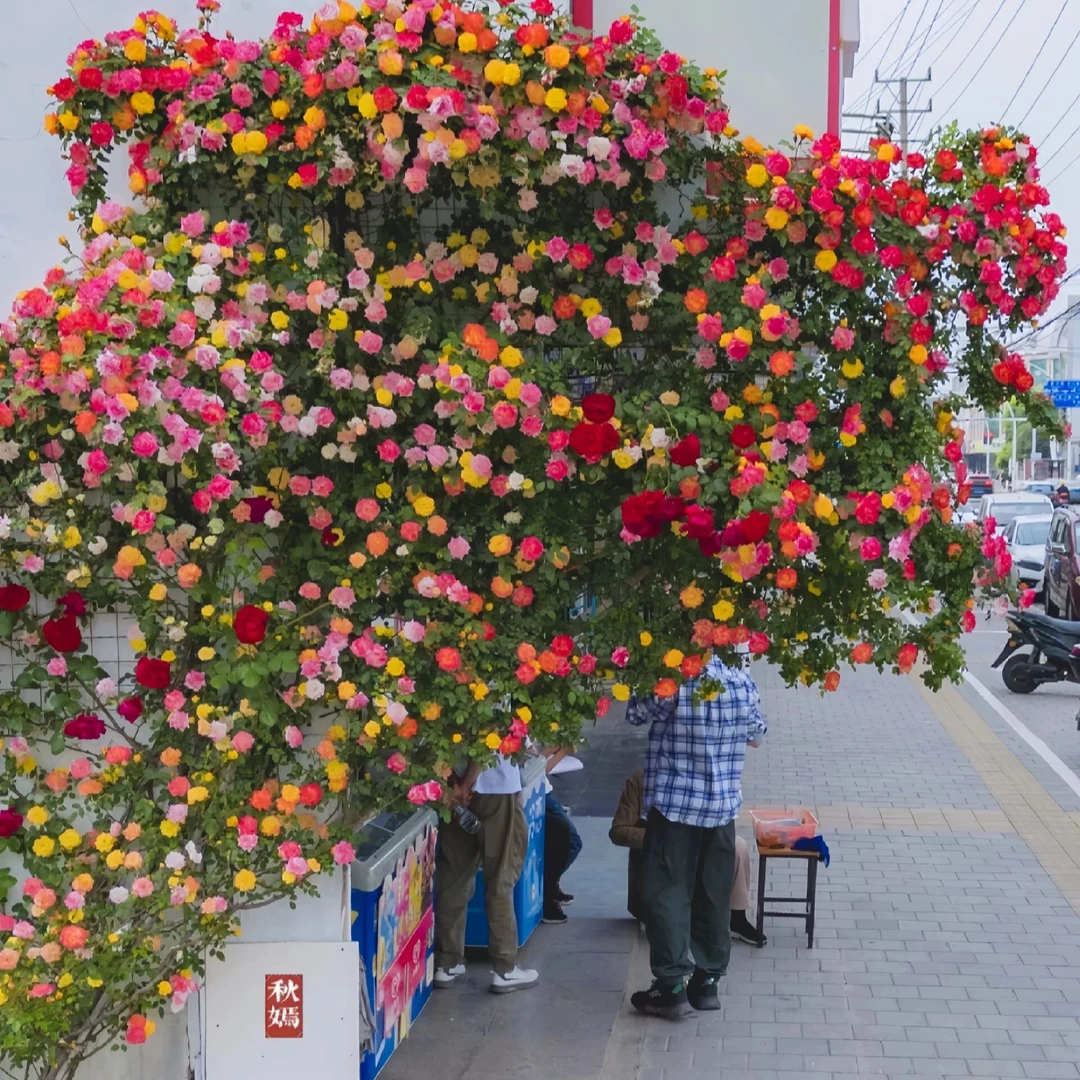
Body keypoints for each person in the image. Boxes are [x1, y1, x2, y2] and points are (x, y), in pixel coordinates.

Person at [626, 654, 766, 1019]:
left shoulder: (676, 673)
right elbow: (757, 735)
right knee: (713, 893)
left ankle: (671, 987)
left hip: (675, 806)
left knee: (668, 893)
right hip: (721, 808)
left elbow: (637, 713)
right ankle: (707, 983)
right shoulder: (739, 676)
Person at [609, 770, 765, 946]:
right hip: (660, 859)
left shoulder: (701, 775)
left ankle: (736, 917)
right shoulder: (641, 780)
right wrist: (660, 838)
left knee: (738, 846)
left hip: (697, 847)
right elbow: (618, 831)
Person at [433, 755, 539, 994]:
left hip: (451, 789)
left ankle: (447, 962)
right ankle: (504, 968)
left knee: (454, 873)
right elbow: (489, 735)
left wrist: (454, 783)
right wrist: (469, 783)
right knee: (501, 875)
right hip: (495, 786)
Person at [539, 747, 582, 925]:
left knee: (565, 842)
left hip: (543, 791)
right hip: (540, 793)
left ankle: (550, 885)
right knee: (570, 841)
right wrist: (560, 751)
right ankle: (548, 889)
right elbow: (537, 767)